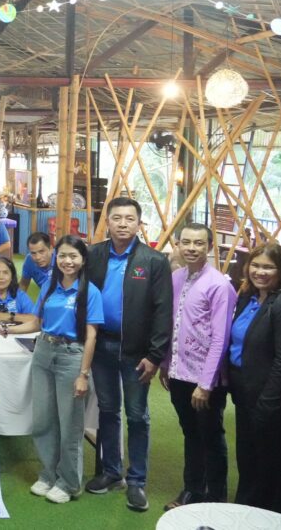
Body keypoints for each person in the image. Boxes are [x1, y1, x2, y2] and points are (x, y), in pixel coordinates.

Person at [0, 235, 103, 504]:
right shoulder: (50, 287)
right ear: (56, 257)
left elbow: (91, 336)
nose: (67, 261)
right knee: (43, 420)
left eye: (73, 256)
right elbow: (36, 323)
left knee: (70, 424)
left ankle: (69, 482)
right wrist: (5, 329)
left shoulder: (90, 292)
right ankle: (49, 474)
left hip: (71, 356)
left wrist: (83, 374)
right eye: (63, 255)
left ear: (83, 260)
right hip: (43, 352)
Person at [84, 197, 172, 511]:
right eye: (117, 218)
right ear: (107, 222)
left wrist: (155, 355)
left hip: (137, 352)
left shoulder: (154, 260)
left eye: (129, 218)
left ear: (138, 223)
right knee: (107, 411)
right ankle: (111, 472)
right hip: (101, 346)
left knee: (137, 416)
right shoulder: (93, 254)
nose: (123, 224)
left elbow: (163, 311)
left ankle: (136, 481)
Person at [226, 242, 281, 517]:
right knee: (250, 462)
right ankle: (247, 515)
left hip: (275, 404)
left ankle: (272, 519)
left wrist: (267, 405)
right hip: (248, 395)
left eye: (268, 267)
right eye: (255, 265)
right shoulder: (250, 298)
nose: (260, 272)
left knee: (273, 470)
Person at [159, 224, 237, 511]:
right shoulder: (176, 278)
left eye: (199, 243)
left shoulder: (219, 285)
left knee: (211, 437)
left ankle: (216, 498)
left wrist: (205, 384)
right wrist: (165, 364)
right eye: (187, 242)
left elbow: (220, 338)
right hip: (178, 372)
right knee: (191, 434)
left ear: (209, 247)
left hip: (205, 378)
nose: (192, 248)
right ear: (178, 245)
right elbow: (172, 325)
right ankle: (192, 490)